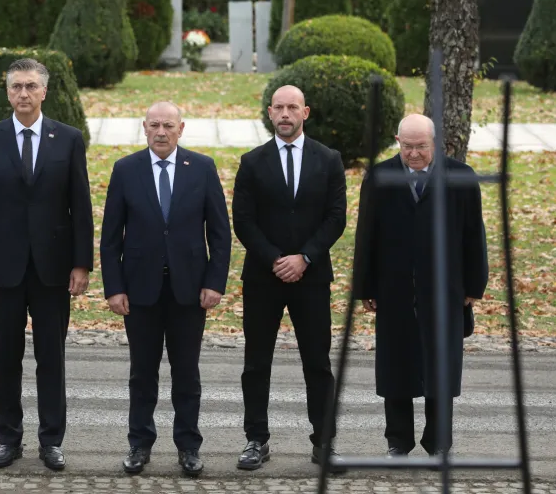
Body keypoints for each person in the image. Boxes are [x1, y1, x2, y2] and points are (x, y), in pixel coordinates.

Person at [0, 58, 94, 471]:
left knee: (51, 357)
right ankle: (9, 438)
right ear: (7, 92)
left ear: (44, 92)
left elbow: (81, 206)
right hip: (2, 270)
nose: (23, 93)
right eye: (16, 86)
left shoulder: (68, 139)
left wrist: (81, 264)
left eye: (30, 86)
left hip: (54, 269)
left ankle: (51, 440)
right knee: (6, 357)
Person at [99, 101, 231, 477]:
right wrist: (114, 288)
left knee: (187, 373)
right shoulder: (126, 170)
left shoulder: (202, 168)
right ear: (144, 128)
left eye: (168, 125)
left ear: (181, 128)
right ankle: (139, 444)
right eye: (154, 125)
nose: (161, 132)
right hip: (140, 291)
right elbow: (111, 238)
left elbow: (220, 234)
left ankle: (189, 446)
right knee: (142, 373)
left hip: (190, 290)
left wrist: (214, 282)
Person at [352, 113, 488, 457]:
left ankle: (439, 442)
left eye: (421, 147)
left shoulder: (461, 177)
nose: (413, 154)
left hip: (446, 290)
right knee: (396, 366)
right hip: (393, 288)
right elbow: (366, 234)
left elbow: (474, 235)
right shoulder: (380, 176)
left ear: (436, 143)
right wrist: (365, 286)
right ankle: (398, 441)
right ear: (398, 142)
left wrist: (475, 284)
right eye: (407, 146)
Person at [231, 85, 347, 470]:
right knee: (256, 363)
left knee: (317, 362)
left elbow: (336, 217)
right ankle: (256, 439)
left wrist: (306, 257)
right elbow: (243, 220)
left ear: (305, 113)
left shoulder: (329, 160)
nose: (285, 113)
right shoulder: (252, 162)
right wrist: (276, 259)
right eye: (278, 107)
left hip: (312, 277)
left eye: (292, 107)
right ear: (269, 112)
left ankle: (324, 442)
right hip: (264, 277)